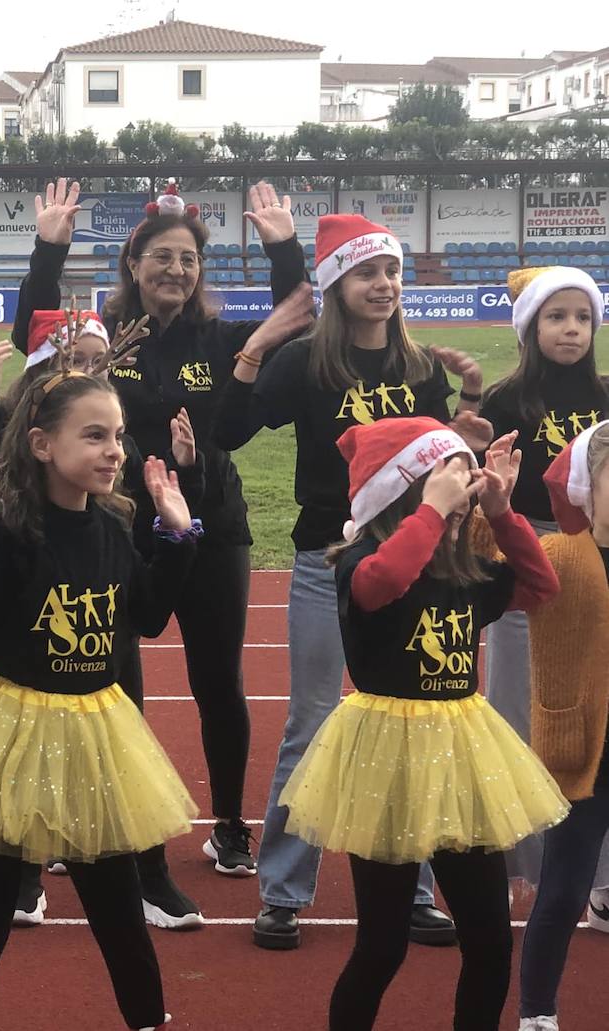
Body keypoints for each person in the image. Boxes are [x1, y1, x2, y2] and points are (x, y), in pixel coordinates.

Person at [216, 212, 491, 949]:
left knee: (420, 719)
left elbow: (443, 464)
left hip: (417, 562)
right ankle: (282, 889)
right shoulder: (305, 362)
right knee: (311, 721)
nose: (384, 285)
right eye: (367, 272)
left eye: (392, 272)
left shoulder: (421, 369)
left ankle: (415, 888)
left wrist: (468, 420)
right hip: (323, 561)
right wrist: (257, 345)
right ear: (337, 284)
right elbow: (228, 432)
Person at [0, 353, 200, 1031]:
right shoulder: (8, 531)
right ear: (41, 445)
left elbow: (147, 617)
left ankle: (149, 1019)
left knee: (118, 908)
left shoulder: (114, 524)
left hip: (95, 736)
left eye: (118, 435)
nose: (114, 450)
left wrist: (180, 534)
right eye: (94, 435)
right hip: (13, 734)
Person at [280, 416, 567, 1030]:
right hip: (387, 756)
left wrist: (501, 508)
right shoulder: (359, 560)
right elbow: (383, 583)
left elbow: (542, 584)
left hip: (462, 754)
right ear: (401, 491)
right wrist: (431, 513)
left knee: (490, 940)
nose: (458, 499)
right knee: (382, 946)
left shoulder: (464, 570)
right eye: (444, 482)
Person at [93, 177, 309, 923]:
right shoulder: (107, 341)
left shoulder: (221, 342)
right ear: (133, 262)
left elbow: (299, 319)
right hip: (117, 527)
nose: (176, 271)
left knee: (218, 677)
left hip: (212, 525)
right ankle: (123, 824)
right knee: (116, 685)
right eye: (162, 257)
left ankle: (227, 826)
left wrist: (283, 245)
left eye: (188, 260)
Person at [480, 264, 609, 904]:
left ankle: (597, 875)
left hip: (593, 567)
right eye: (556, 317)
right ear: (531, 327)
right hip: (520, 562)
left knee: (594, 714)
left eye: (583, 317)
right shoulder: (506, 401)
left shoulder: (608, 396)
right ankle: (512, 862)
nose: (571, 329)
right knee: (513, 711)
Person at [519, 420, 609, 1031]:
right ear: (586, 488)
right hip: (587, 755)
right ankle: (538, 1013)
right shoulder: (560, 557)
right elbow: (482, 551)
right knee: (562, 893)